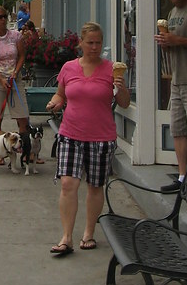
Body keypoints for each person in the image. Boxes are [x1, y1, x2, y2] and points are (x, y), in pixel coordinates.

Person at [46, 22, 130, 256]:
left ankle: (89, 233)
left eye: (98, 43)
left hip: (101, 137)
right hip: (70, 134)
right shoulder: (69, 68)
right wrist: (55, 102)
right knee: (68, 184)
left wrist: (120, 87)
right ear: (81, 43)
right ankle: (66, 238)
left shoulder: (112, 70)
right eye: (90, 42)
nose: (94, 47)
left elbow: (123, 102)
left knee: (95, 186)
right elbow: (61, 94)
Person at [156, 0, 187, 192]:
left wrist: (176, 40)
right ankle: (183, 177)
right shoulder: (172, 13)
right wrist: (166, 42)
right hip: (177, 79)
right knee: (178, 129)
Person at [0, 5, 30, 142]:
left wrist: (16, 72)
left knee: (23, 117)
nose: (3, 20)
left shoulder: (15, 36)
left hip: (15, 79)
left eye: (4, 16)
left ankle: (26, 149)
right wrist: (1, 79)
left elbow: (21, 56)